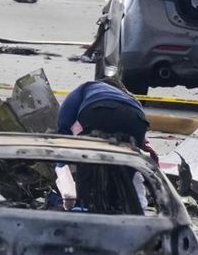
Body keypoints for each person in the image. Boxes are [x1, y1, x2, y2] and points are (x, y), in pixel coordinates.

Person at [56, 78, 152, 212]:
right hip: (137, 120)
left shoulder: (85, 88)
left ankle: (83, 210)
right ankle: (127, 212)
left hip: (100, 110)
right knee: (124, 176)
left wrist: (60, 163)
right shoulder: (130, 99)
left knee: (87, 164)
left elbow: (63, 124)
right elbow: (140, 137)